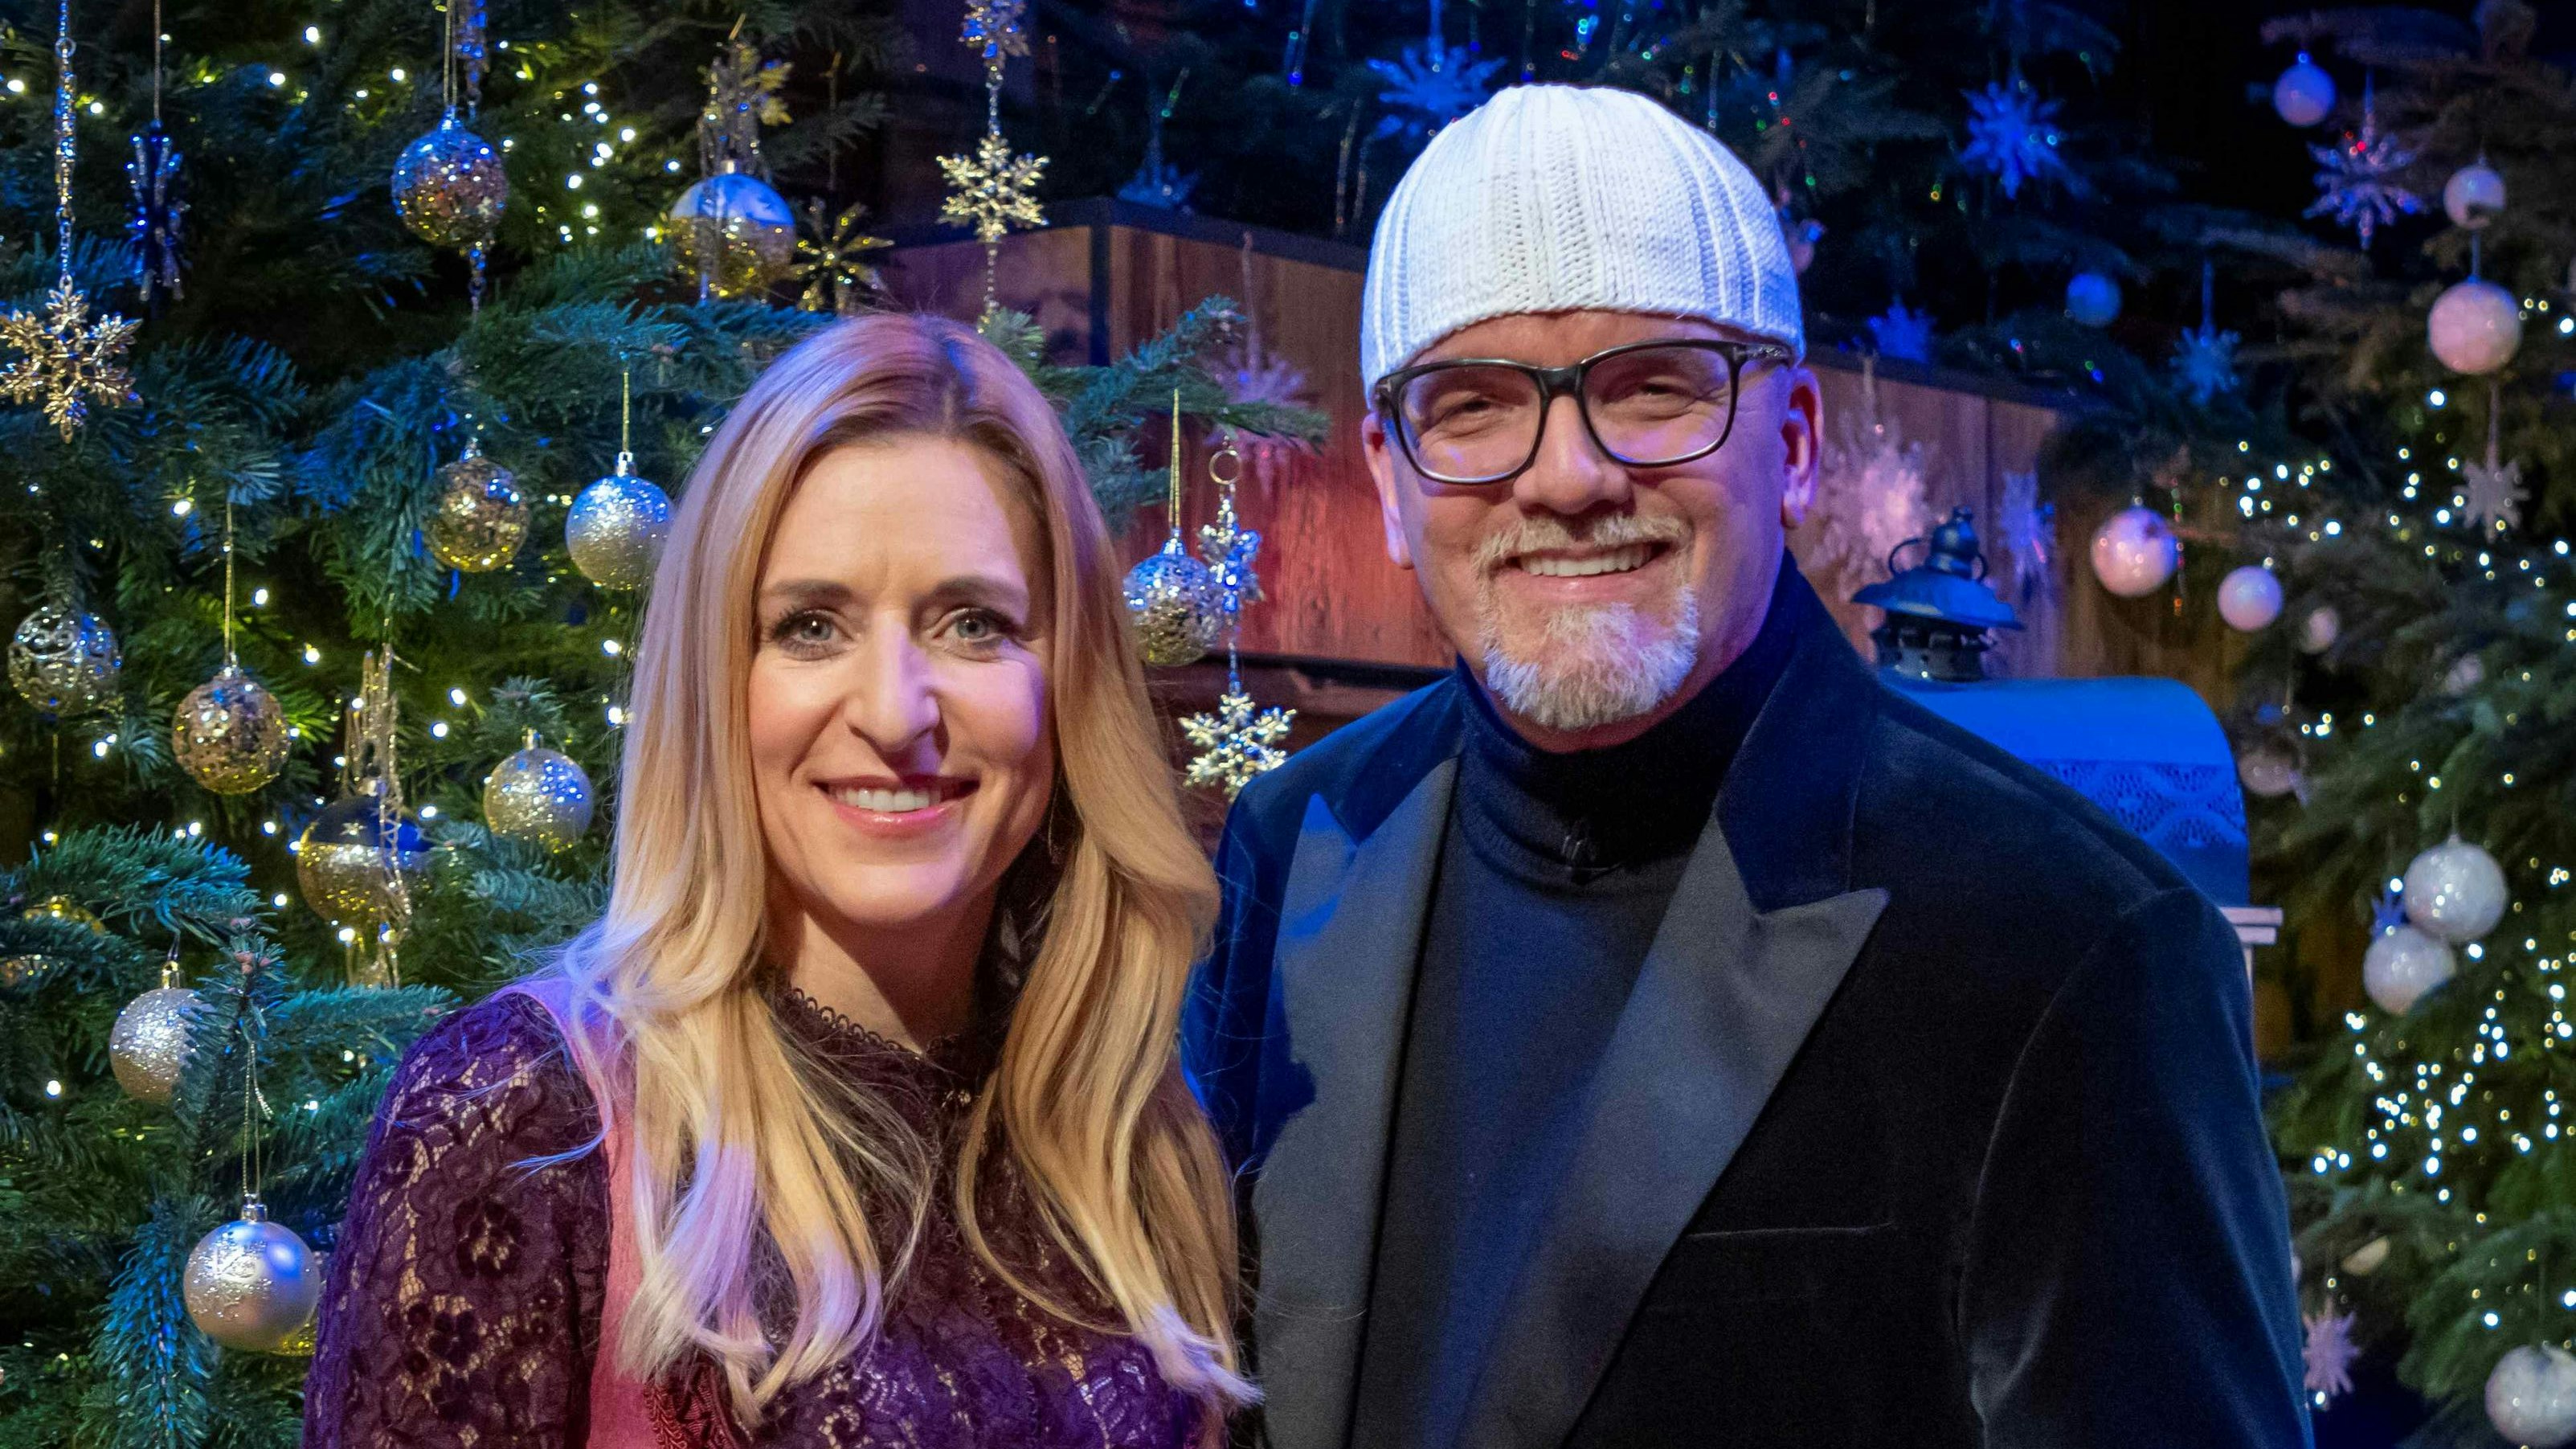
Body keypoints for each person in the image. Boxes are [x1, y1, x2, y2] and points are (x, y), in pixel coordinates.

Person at [1183, 84, 2309, 1449]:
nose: (1566, 479)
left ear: (1792, 441)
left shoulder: (2068, 939)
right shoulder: (1296, 841)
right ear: (1388, 474)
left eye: (1654, 387)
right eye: (1471, 407)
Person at [305, 314, 1253, 1448]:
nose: (896, 712)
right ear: (716, 681)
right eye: (810, 626)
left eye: (974, 624)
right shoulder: (519, 1114)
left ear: (1069, 685)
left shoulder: (1132, 1129)